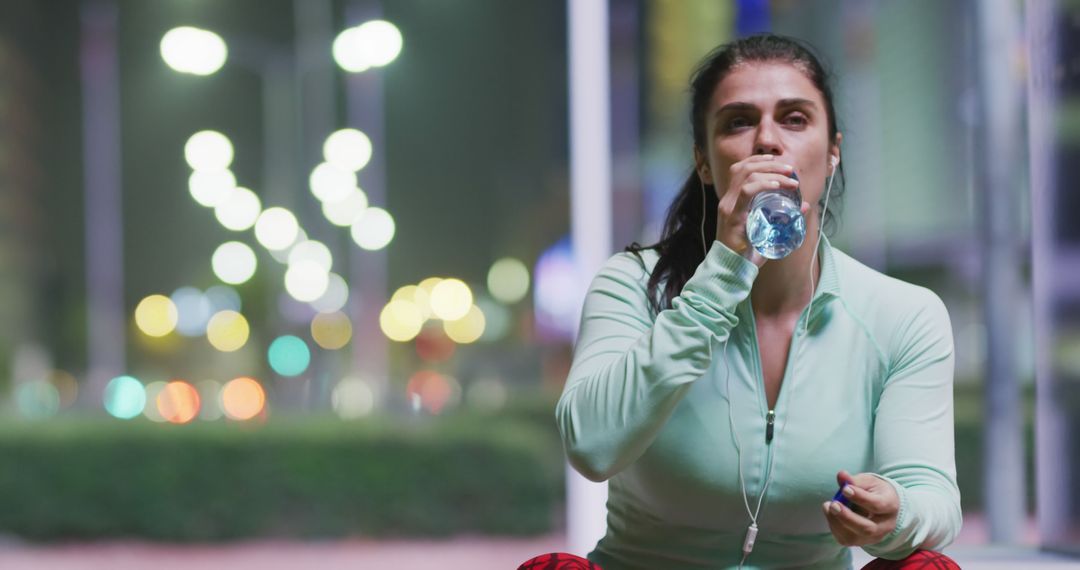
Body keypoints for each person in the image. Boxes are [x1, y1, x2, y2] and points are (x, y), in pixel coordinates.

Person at [554, 34, 962, 569]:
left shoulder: (902, 314)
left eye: (794, 119)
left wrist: (898, 514)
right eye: (738, 122)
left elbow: (933, 495)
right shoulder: (633, 285)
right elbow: (591, 446)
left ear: (832, 151)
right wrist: (724, 269)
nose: (768, 140)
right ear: (705, 162)